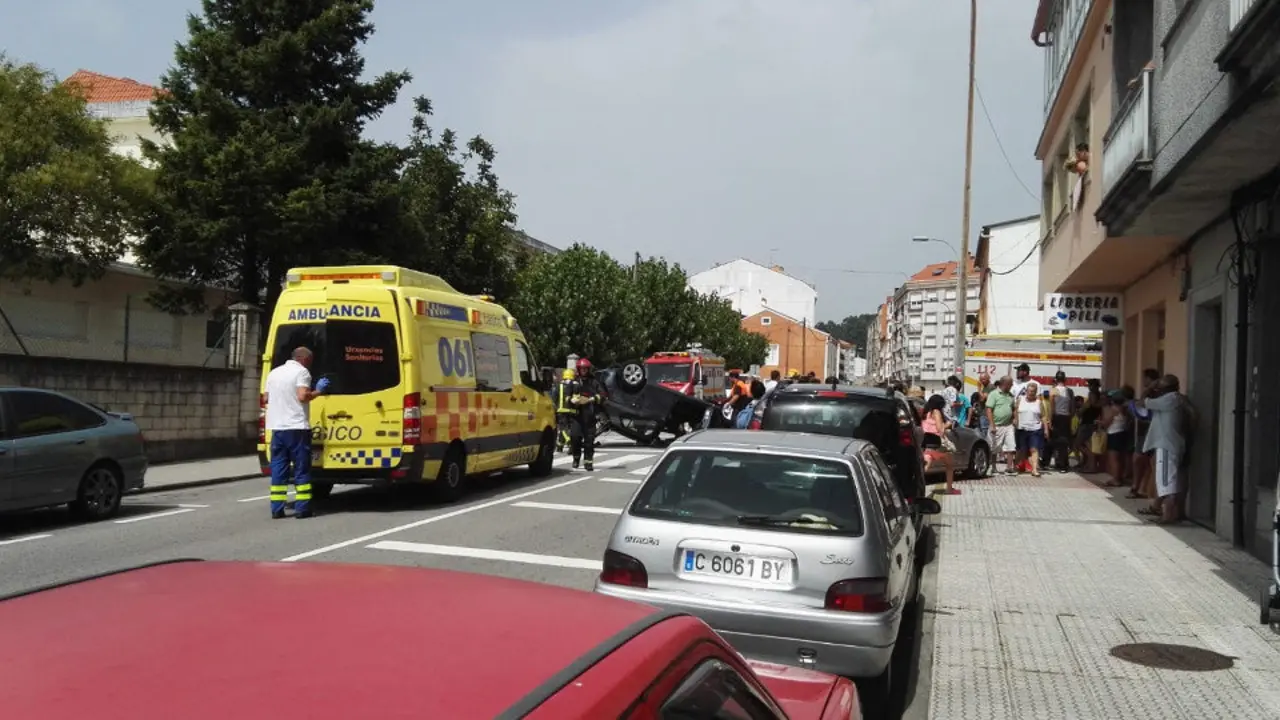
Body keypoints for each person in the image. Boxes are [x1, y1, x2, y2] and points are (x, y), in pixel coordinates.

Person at [264, 346, 331, 519]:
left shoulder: (274, 373)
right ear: (305, 359)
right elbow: (303, 396)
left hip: (277, 428)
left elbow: (266, 398)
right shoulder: (302, 373)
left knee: (279, 469)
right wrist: (318, 391)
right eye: (310, 361)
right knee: (301, 469)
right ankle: (303, 509)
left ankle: (277, 509)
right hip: (296, 428)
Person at [1138, 375, 1190, 524]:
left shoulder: (1169, 399)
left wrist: (1149, 388)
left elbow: (1142, 402)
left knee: (1167, 482)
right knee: (1168, 480)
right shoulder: (1175, 399)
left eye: (1159, 388)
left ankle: (1168, 516)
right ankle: (1165, 511)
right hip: (1170, 444)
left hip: (1167, 445)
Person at [567, 357, 606, 470]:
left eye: (585, 369)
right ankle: (576, 458)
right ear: (578, 369)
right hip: (576, 415)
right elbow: (566, 396)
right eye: (581, 369)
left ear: (588, 369)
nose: (583, 371)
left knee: (589, 441)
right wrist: (571, 400)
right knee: (575, 438)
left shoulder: (594, 382)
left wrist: (592, 399)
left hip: (589, 415)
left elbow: (602, 395)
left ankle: (588, 462)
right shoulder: (574, 382)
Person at [921, 394, 958, 495]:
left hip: (928, 442)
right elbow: (940, 429)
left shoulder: (926, 412)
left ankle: (917, 487)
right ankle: (949, 489)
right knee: (949, 466)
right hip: (938, 443)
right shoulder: (936, 412)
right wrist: (948, 424)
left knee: (925, 466)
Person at [1014, 380, 1048, 477]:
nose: (1031, 393)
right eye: (1029, 391)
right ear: (1026, 391)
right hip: (1022, 428)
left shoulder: (1039, 402)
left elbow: (1043, 416)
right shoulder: (1020, 399)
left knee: (1034, 449)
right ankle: (1016, 466)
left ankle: (1034, 469)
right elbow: (1016, 410)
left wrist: (1045, 429)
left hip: (1035, 429)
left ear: (1036, 392)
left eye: (1033, 391)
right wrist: (1016, 419)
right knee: (1020, 449)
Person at [987, 376, 1017, 474]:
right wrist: (992, 425)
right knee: (995, 447)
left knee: (1011, 446)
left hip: (1008, 425)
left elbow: (1014, 408)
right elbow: (989, 410)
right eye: (1011, 384)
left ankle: (1009, 468)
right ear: (1005, 384)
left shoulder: (1010, 396)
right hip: (996, 425)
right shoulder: (993, 394)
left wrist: (1015, 418)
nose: (1012, 386)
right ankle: (993, 467)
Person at [1048, 371, 1075, 471]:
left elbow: (1052, 407)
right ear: (1065, 379)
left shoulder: (1053, 390)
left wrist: (1050, 420)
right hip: (1066, 418)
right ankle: (1064, 463)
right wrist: (1069, 417)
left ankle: (1054, 462)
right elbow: (1072, 408)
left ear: (1056, 379)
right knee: (1064, 442)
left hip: (1056, 417)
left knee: (1054, 441)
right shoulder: (1070, 391)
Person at [554, 368, 576, 453]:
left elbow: (554, 399)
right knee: (567, 428)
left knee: (563, 428)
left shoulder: (558, 386)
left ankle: (570, 442)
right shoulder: (575, 386)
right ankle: (560, 445)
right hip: (571, 411)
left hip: (561, 411)